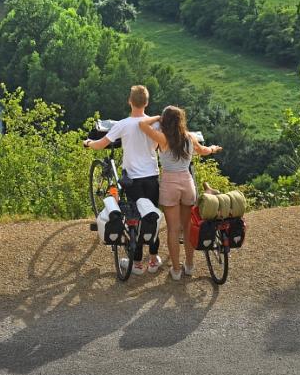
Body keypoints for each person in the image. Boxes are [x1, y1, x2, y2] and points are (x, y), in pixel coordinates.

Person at [84, 85, 162, 275]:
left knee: (134, 218)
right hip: (152, 176)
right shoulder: (156, 124)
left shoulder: (123, 124)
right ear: (147, 102)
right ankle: (153, 260)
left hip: (133, 180)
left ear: (129, 101)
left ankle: (136, 264)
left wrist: (88, 143)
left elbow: (101, 144)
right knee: (151, 217)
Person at [140, 107, 221, 281]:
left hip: (169, 184)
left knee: (173, 230)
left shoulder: (163, 139)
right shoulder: (189, 137)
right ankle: (190, 266)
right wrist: (213, 148)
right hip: (187, 182)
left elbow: (142, 124)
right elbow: (204, 151)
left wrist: (157, 118)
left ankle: (176, 270)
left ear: (165, 121)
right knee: (188, 227)